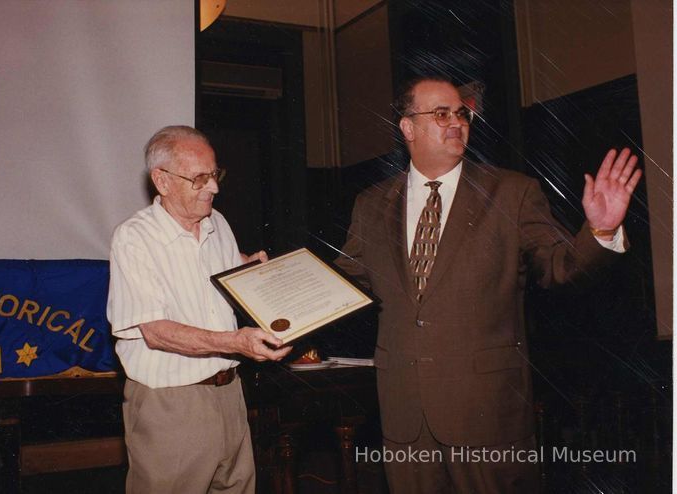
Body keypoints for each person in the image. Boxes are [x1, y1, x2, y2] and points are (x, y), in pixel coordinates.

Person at [335, 75, 641, 493]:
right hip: (405, 417)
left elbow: (560, 267)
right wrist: (273, 289)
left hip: (487, 417)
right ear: (408, 128)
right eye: (441, 114)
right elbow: (342, 282)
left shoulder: (511, 192)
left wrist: (600, 232)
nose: (456, 122)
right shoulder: (371, 204)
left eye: (461, 113)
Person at [107, 125, 291, 493]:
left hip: (230, 396)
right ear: (162, 181)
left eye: (215, 175)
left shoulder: (217, 223)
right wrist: (236, 342)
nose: (214, 188)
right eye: (200, 178)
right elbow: (155, 331)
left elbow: (223, 273)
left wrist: (257, 271)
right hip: (172, 405)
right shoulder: (134, 237)